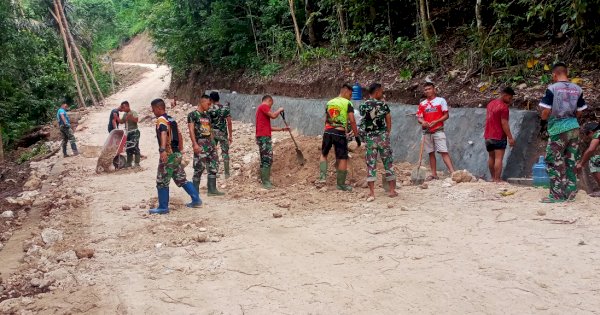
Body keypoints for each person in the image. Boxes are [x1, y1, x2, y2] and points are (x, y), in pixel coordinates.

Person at [539, 62, 587, 203]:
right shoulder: (577, 89)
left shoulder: (552, 88)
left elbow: (546, 110)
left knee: (554, 161)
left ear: (554, 75)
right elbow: (579, 111)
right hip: (574, 128)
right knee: (570, 161)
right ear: (567, 73)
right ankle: (570, 193)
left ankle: (556, 196)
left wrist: (543, 121)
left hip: (558, 129)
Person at [149, 98, 202, 214]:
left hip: (168, 155)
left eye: (153, 110)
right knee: (181, 178)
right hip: (176, 153)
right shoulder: (172, 119)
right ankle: (196, 199)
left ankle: (163, 207)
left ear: (159, 108)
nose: (153, 112)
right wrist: (180, 150)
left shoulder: (161, 120)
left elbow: (163, 132)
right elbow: (179, 134)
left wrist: (162, 150)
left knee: (162, 180)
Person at [317, 84, 361, 191]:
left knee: (324, 154)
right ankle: (341, 184)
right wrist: (357, 136)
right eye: (350, 95)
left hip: (327, 131)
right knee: (342, 158)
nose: (350, 97)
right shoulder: (347, 103)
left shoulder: (329, 102)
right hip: (339, 133)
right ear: (345, 92)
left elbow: (326, 118)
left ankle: (322, 178)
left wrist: (326, 131)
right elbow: (352, 120)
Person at [359, 83, 398, 200]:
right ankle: (391, 190)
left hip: (370, 138)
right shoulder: (384, 105)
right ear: (377, 92)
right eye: (381, 92)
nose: (382, 94)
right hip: (383, 137)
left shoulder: (363, 106)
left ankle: (372, 192)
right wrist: (387, 132)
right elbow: (388, 119)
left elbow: (363, 120)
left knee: (371, 164)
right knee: (388, 162)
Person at [416, 82, 455, 180]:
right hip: (427, 132)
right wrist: (423, 122)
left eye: (429, 88)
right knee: (430, 153)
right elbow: (419, 118)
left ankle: (453, 173)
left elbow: (446, 115)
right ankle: (434, 174)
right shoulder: (422, 104)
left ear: (434, 89)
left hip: (438, 130)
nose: (427, 91)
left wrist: (436, 121)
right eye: (425, 89)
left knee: (443, 151)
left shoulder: (441, 101)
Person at [188, 95, 224, 196]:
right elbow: (191, 130)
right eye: (208, 104)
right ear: (202, 102)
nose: (209, 106)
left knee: (214, 165)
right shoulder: (193, 115)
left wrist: (213, 143)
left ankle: (212, 190)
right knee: (199, 167)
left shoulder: (207, 115)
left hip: (210, 142)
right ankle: (195, 193)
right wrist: (194, 144)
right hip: (200, 142)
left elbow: (210, 129)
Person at [255, 95, 289, 189]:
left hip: (262, 137)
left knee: (264, 159)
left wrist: (282, 129)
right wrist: (279, 109)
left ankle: (265, 181)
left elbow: (268, 128)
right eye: (271, 104)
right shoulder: (263, 106)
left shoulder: (261, 111)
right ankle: (266, 182)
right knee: (267, 159)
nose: (270, 107)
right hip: (264, 138)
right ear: (269, 101)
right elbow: (274, 115)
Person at [484, 87, 516, 182]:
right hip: (498, 136)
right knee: (499, 158)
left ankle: (493, 177)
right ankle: (497, 179)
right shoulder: (504, 107)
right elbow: (504, 123)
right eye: (510, 98)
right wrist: (510, 137)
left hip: (488, 135)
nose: (510, 100)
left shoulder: (490, 104)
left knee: (491, 157)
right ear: (505, 95)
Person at [208, 91, 233, 178]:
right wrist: (230, 136)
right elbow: (229, 122)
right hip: (223, 133)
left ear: (210, 99)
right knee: (225, 152)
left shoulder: (210, 109)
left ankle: (215, 172)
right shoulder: (225, 108)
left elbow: (208, 123)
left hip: (213, 133)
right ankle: (227, 173)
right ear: (218, 98)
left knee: (213, 152)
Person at [576, 122, 600, 197]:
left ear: (591, 132)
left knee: (594, 161)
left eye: (588, 135)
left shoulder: (598, 133)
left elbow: (591, 149)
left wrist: (581, 164)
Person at [118, 101, 141, 168]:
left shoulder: (133, 112)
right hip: (128, 133)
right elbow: (122, 121)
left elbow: (136, 120)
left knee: (135, 147)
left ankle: (137, 163)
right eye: (122, 108)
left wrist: (131, 117)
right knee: (128, 148)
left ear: (128, 106)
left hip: (134, 132)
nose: (123, 109)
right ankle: (129, 163)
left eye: (124, 107)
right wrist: (116, 118)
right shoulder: (125, 114)